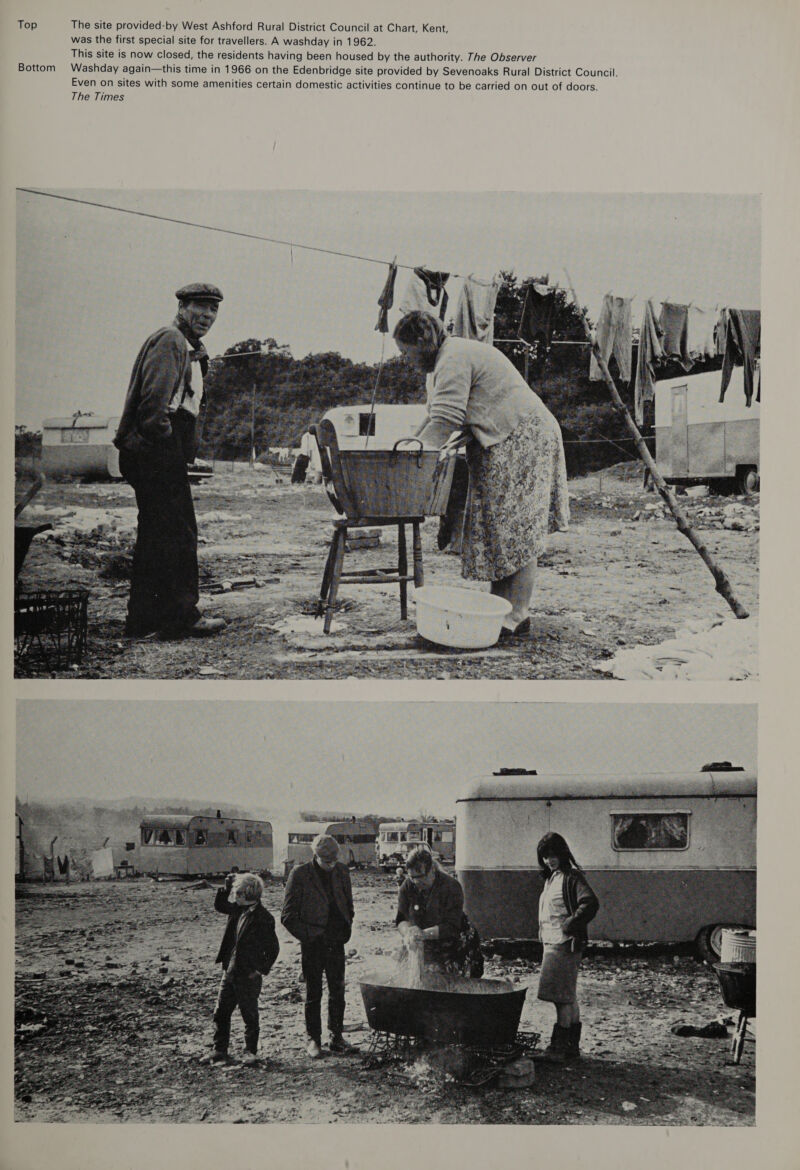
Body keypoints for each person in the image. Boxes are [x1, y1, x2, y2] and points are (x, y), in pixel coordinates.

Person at [393, 311, 569, 637]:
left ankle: (516, 614)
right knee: (500, 528)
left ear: (422, 342)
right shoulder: (445, 362)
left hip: (522, 435)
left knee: (517, 527)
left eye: (406, 352)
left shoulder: (454, 357)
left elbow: (445, 421)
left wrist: (414, 467)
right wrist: (408, 450)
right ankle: (499, 609)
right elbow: (433, 418)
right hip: (502, 439)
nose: (405, 360)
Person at [114, 283, 227, 640]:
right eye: (200, 307)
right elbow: (153, 408)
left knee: (158, 535)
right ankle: (180, 617)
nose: (207, 316)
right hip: (154, 449)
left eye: (213, 310)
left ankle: (146, 621)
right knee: (178, 533)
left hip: (153, 450)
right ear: (181, 306)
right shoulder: (170, 340)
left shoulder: (187, 347)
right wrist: (168, 447)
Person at [280, 834, 358, 1059]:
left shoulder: (342, 871)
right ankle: (313, 1039)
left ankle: (337, 1037)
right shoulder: (300, 875)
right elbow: (287, 916)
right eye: (327, 862)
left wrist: (346, 926)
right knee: (313, 993)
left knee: (338, 991)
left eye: (334, 860)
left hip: (336, 941)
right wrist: (310, 936)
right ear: (315, 856)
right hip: (313, 944)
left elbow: (348, 904)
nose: (331, 865)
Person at [535, 832, 599, 1063]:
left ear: (562, 854)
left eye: (553, 855)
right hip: (553, 942)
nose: (549, 860)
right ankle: (571, 1047)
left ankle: (558, 1048)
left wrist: (570, 924)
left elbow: (590, 902)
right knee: (567, 996)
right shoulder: (553, 877)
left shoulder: (571, 877)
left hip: (561, 943)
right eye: (545, 856)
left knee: (560, 997)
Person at [211, 871, 280, 1065]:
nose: (234, 896)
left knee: (249, 1015)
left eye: (236, 893)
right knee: (221, 1012)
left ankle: (250, 1052)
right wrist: (225, 888)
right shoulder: (237, 909)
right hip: (230, 971)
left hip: (248, 975)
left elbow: (273, 948)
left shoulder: (264, 918)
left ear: (246, 895)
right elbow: (220, 905)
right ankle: (219, 1050)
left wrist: (259, 970)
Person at [395, 847, 483, 978]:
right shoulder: (407, 886)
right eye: (412, 877)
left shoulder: (451, 887)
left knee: (448, 979)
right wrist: (409, 933)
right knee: (406, 973)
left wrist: (423, 934)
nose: (416, 882)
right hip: (424, 938)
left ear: (432, 871)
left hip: (453, 938)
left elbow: (451, 927)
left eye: (420, 878)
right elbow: (401, 918)